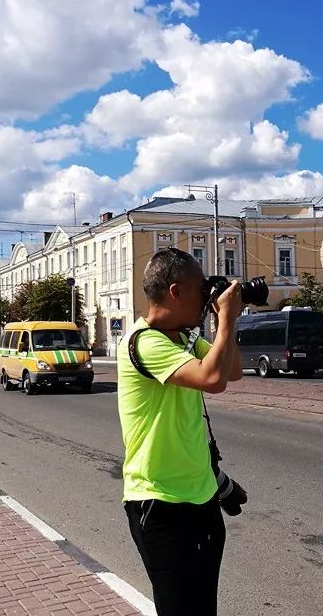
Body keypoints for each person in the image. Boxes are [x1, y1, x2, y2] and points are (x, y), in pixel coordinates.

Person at [118, 248, 244, 615]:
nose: (206, 297)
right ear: (176, 292)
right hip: (160, 506)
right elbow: (212, 379)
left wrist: (227, 321)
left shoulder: (180, 339)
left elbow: (231, 370)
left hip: (202, 501)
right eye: (200, 288)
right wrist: (227, 319)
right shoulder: (145, 342)